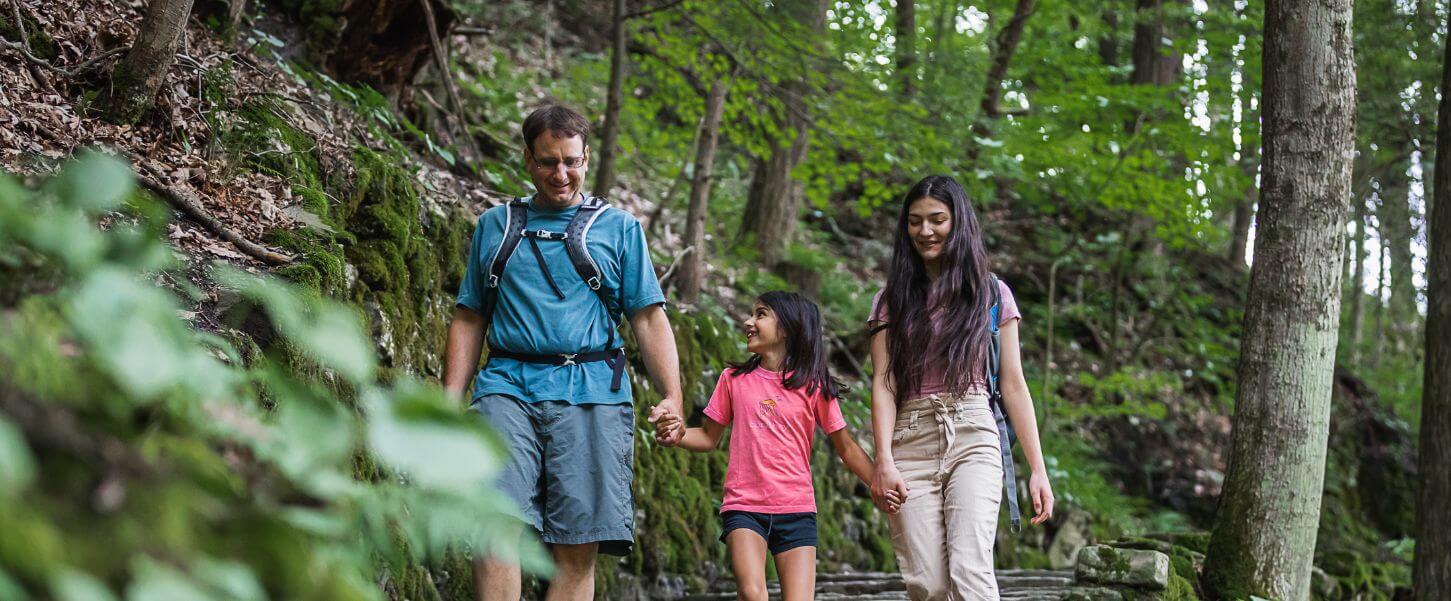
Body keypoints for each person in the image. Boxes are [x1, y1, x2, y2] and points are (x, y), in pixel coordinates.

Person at [442, 104, 685, 601]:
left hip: (592, 391)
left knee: (576, 548)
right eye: (549, 161)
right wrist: (449, 398)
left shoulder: (620, 229)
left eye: (572, 162)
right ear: (527, 159)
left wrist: (673, 395)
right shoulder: (495, 225)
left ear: (587, 157)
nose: (561, 174)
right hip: (506, 386)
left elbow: (648, 317)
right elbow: (470, 316)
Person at [867, 175, 1055, 601]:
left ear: (959, 222)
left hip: (974, 432)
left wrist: (1038, 469)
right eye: (915, 221)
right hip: (910, 438)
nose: (925, 231)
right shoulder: (890, 300)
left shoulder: (992, 294)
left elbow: (1013, 383)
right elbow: (884, 382)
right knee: (927, 584)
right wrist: (883, 460)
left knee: (970, 571)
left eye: (937, 219)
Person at [654, 291, 887, 601]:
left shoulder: (814, 386)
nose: (748, 322)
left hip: (797, 509)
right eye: (752, 314)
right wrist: (679, 435)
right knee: (752, 593)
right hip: (744, 507)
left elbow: (846, 448)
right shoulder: (733, 379)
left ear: (787, 328)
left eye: (760, 314)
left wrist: (879, 482)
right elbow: (708, 437)